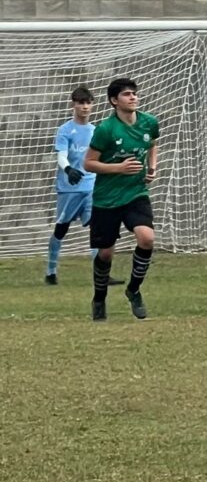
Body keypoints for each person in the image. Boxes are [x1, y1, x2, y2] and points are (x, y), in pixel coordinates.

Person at [83, 78, 159, 322]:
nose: (133, 97)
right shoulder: (106, 130)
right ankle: (99, 298)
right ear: (115, 101)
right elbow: (88, 163)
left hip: (135, 193)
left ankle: (133, 290)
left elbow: (152, 143)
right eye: (127, 94)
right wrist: (119, 168)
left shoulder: (149, 122)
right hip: (106, 199)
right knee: (105, 254)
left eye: (134, 94)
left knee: (147, 238)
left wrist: (152, 167)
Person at [45, 86, 124, 287]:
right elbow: (61, 156)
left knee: (97, 229)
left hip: (91, 187)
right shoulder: (65, 130)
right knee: (61, 230)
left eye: (88, 103)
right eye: (81, 103)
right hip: (69, 189)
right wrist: (69, 169)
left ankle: (102, 275)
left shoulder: (95, 131)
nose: (85, 107)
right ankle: (51, 271)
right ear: (74, 105)